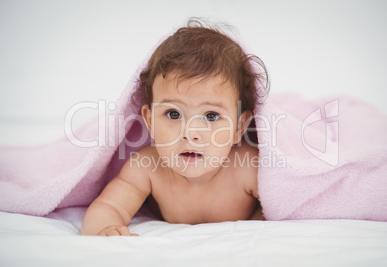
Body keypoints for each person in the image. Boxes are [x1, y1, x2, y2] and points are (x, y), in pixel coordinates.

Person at [81, 20, 268, 236]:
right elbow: (109, 206)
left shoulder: (249, 168)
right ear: (150, 121)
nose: (190, 132)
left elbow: (281, 208)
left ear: (239, 127)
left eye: (211, 116)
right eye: (173, 114)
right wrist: (104, 230)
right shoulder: (147, 167)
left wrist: (256, 225)